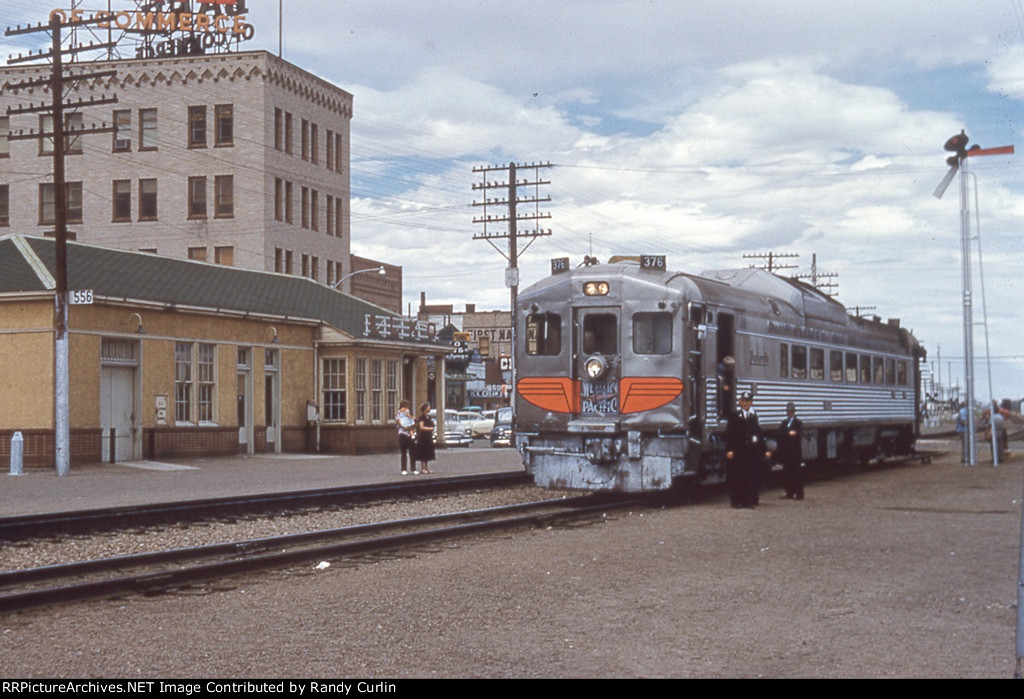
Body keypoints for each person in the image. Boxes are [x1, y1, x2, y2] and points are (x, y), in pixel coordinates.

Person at [724, 391, 771, 508]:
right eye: (743, 401)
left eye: (747, 402)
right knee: (737, 477)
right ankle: (735, 502)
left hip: (749, 452)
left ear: (751, 403)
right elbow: (729, 434)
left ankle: (746, 502)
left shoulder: (752, 417)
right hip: (738, 451)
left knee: (747, 477)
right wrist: (729, 449)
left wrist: (765, 449)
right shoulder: (734, 416)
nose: (745, 404)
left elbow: (758, 434)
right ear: (740, 402)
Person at [777, 401, 804, 500]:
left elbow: (797, 435)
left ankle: (799, 494)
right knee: (787, 473)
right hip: (787, 453)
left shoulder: (798, 423)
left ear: (794, 411)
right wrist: (789, 434)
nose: (790, 413)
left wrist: (787, 434)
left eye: (791, 411)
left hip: (795, 453)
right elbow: (780, 434)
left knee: (796, 473)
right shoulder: (784, 423)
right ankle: (789, 492)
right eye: (788, 411)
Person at [412, 402, 436, 474]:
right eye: (428, 407)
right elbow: (421, 427)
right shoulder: (421, 417)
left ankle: (426, 468)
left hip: (428, 436)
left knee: (428, 452)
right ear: (425, 408)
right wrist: (429, 429)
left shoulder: (429, 417)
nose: (429, 408)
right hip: (423, 437)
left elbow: (432, 424)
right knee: (423, 452)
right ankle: (423, 468)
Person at [394, 400, 416, 475]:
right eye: (405, 407)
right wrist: (403, 426)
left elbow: (410, 417)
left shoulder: (407, 412)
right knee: (403, 452)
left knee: (412, 451)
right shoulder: (398, 413)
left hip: (409, 433)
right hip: (402, 433)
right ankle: (404, 469)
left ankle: (413, 469)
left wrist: (412, 419)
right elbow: (399, 422)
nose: (406, 409)